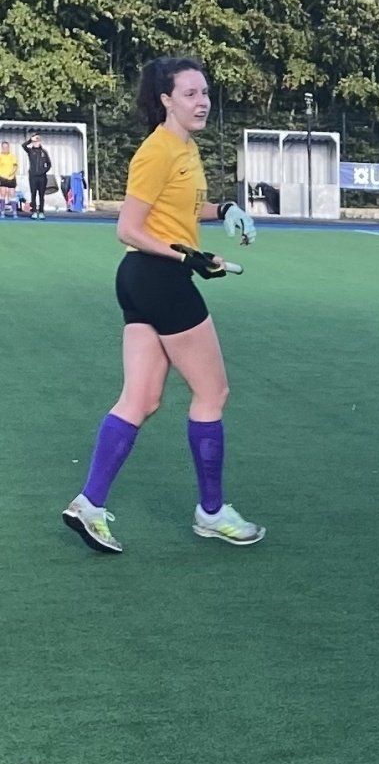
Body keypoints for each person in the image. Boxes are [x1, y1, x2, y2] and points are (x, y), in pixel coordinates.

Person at [61, 57, 263, 555]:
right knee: (212, 392)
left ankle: (88, 504)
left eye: (205, 92)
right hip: (158, 279)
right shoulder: (157, 151)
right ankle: (211, 513)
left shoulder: (185, 148)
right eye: (190, 94)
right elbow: (128, 228)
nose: (202, 102)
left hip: (142, 280)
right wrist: (187, 257)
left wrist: (225, 209)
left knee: (142, 399)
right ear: (166, 99)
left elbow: (182, 209)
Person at [25, 133, 54, 219]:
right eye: (35, 141)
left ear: (40, 142)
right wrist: (31, 140)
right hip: (33, 177)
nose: (36, 142)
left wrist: (43, 171)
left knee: (41, 195)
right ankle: (34, 212)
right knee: (33, 194)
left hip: (42, 177)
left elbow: (49, 164)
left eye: (37, 141)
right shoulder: (30, 151)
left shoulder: (44, 152)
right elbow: (23, 146)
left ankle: (41, 212)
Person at [0, 139, 17, 217]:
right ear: (2, 148)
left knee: (12, 194)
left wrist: (11, 174)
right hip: (2, 178)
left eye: (6, 147)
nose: (5, 149)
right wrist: (2, 175)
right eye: (3, 147)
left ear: (8, 147)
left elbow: (15, 166)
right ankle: (2, 212)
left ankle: (14, 212)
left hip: (11, 178)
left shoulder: (12, 156)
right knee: (2, 194)